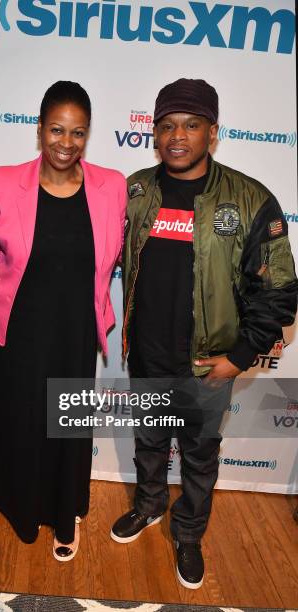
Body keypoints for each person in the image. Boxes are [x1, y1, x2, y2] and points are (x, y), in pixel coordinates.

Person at [111, 78, 297, 588]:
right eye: (167, 126)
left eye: (191, 125)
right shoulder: (136, 190)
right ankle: (148, 506)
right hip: (147, 355)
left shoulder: (251, 198)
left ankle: (188, 533)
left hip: (208, 365)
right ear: (154, 132)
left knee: (199, 455)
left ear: (212, 132)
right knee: (148, 441)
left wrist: (239, 356)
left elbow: (280, 290)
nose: (178, 136)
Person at [0, 81, 127, 561]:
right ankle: (23, 508)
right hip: (18, 327)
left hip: (74, 329)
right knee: (22, 419)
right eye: (57, 130)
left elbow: (118, 255)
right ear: (40, 129)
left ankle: (66, 514)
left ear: (88, 135)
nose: (67, 143)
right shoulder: (4, 181)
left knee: (66, 423)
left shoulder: (112, 186)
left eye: (78, 133)